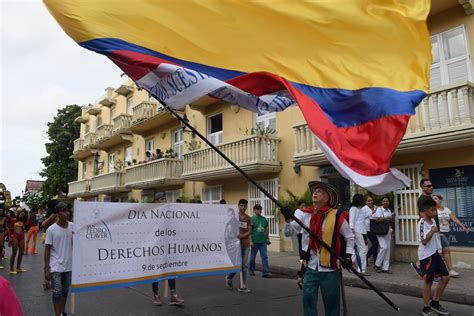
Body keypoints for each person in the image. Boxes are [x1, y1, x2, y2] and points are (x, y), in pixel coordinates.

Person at [283, 181, 354, 316]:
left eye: (319, 191)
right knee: (307, 298)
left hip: (330, 268)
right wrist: (287, 220)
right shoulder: (304, 214)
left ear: (327, 198)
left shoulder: (336, 215)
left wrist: (348, 255)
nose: (315, 192)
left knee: (332, 304)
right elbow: (289, 232)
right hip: (310, 266)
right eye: (314, 191)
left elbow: (350, 237)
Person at [150, 192, 184, 306]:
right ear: (156, 201)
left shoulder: (170, 213)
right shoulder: (151, 214)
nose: (164, 201)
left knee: (171, 270)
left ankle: (174, 296)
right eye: (161, 199)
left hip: (168, 247)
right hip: (156, 248)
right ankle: (156, 295)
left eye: (165, 199)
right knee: (155, 271)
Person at [417, 199, 450, 316]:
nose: (435, 212)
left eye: (435, 209)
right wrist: (431, 231)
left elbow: (436, 238)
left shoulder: (433, 221)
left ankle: (435, 302)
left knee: (446, 278)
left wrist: (440, 250)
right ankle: (426, 308)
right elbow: (424, 241)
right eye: (432, 210)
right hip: (427, 256)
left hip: (436, 253)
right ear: (425, 211)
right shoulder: (422, 223)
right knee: (428, 281)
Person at [44, 203, 74, 316]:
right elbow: (47, 249)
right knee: (57, 292)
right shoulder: (51, 230)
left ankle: (61, 312)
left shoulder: (73, 226)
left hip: (68, 265)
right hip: (55, 265)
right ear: (57, 214)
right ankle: (57, 314)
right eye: (64, 211)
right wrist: (46, 268)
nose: (67, 213)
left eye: (68, 211)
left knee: (65, 291)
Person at [433, 194, 470, 278]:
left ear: (440, 200)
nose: (434, 200)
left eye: (436, 198)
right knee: (447, 250)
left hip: (447, 232)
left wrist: (463, 226)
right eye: (433, 199)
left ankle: (421, 264)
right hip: (439, 232)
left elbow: (454, 218)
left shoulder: (446, 209)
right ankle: (450, 270)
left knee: (440, 252)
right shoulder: (433, 210)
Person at [226, 198, 252, 293]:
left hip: (246, 244)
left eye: (245, 206)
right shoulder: (234, 218)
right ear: (238, 206)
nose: (243, 207)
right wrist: (236, 236)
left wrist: (242, 236)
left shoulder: (248, 218)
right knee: (237, 264)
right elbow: (230, 229)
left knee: (244, 265)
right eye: (241, 205)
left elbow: (250, 230)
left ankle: (242, 285)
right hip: (235, 245)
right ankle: (229, 277)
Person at [412, 179, 437, 277]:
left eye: (431, 185)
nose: (431, 187)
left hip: (434, 226)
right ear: (423, 187)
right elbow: (422, 213)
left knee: (438, 249)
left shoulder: (430, 198)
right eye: (428, 186)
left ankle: (425, 268)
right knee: (426, 247)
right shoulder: (422, 199)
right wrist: (430, 227)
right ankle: (422, 268)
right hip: (428, 228)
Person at [349, 194, 372, 275]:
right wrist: (352, 233)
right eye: (362, 199)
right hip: (357, 232)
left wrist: (373, 212)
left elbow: (364, 217)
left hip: (362, 232)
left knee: (360, 250)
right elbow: (351, 222)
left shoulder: (360, 209)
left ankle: (350, 265)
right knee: (363, 250)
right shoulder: (354, 209)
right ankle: (361, 270)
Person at [249, 204, 272, 278]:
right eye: (258, 209)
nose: (260, 210)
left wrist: (267, 238)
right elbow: (250, 231)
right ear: (254, 210)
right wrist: (251, 241)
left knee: (264, 256)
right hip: (255, 241)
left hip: (262, 241)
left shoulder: (264, 219)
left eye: (260, 209)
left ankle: (265, 272)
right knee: (252, 257)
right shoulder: (252, 219)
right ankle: (251, 270)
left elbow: (266, 228)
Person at [373, 197, 393, 273]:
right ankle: (377, 264)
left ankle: (385, 268)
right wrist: (386, 218)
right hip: (380, 232)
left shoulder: (389, 210)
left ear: (389, 203)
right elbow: (377, 220)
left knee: (388, 249)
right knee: (384, 247)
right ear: (382, 203)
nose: (385, 202)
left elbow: (389, 220)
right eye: (384, 201)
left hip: (387, 231)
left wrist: (391, 219)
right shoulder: (379, 209)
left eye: (387, 201)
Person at [8, 210, 28, 275]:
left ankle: (18, 267)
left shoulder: (24, 222)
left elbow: (27, 223)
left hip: (22, 237)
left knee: (21, 252)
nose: (22, 215)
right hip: (15, 237)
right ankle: (11, 269)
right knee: (14, 253)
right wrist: (10, 238)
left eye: (23, 214)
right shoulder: (13, 220)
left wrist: (27, 214)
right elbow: (10, 229)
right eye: (21, 213)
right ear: (18, 214)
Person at [363, 195, 379, 266]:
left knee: (375, 244)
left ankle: (367, 256)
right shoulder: (364, 209)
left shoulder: (375, 207)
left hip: (375, 227)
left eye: (371, 200)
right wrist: (372, 212)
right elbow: (363, 217)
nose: (370, 202)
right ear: (365, 202)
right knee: (375, 244)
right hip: (368, 229)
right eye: (368, 201)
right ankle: (374, 261)